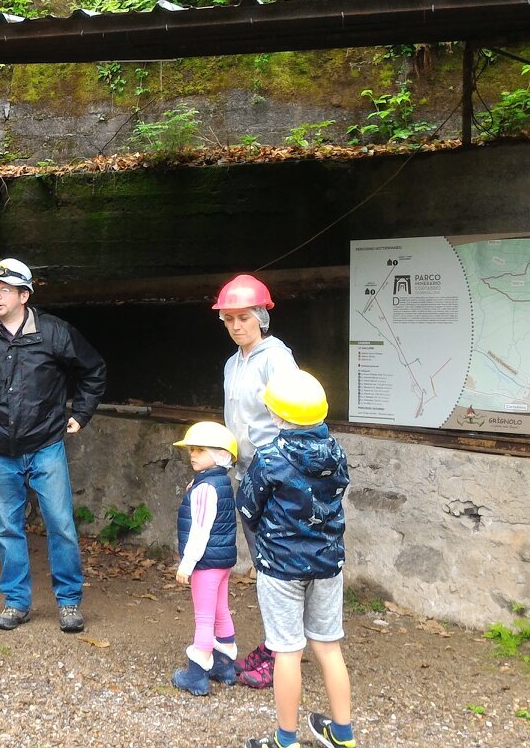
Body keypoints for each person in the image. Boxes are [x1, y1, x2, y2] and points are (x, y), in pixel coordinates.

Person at [0, 258, 107, 633]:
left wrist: (80, 414)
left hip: (45, 445)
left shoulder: (53, 333)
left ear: (24, 294)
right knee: (8, 527)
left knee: (61, 524)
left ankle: (68, 602)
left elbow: (93, 370)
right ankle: (16, 603)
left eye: (5, 290)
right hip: (0, 451)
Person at [236, 370, 355, 748]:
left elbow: (248, 505)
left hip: (281, 568)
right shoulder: (336, 452)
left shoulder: (270, 457)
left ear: (277, 415)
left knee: (287, 651)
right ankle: (342, 734)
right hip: (327, 563)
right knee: (328, 645)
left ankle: (286, 740)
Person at [214, 272, 298, 689]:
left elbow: (291, 419)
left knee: (277, 568)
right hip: (245, 474)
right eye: (228, 319)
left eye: (242, 318)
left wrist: (279, 470)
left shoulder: (276, 358)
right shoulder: (233, 363)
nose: (235, 326)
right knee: (264, 565)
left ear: (261, 317)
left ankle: (282, 654)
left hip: (275, 478)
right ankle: (275, 643)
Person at [169, 422, 243, 696]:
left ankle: (196, 674)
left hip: (205, 563)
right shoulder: (221, 482)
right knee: (221, 610)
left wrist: (187, 564)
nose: (193, 454)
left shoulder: (204, 489)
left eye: (200, 450)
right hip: (222, 561)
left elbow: (200, 531)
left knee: (204, 618)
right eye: (192, 450)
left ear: (220, 455)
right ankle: (224, 665)